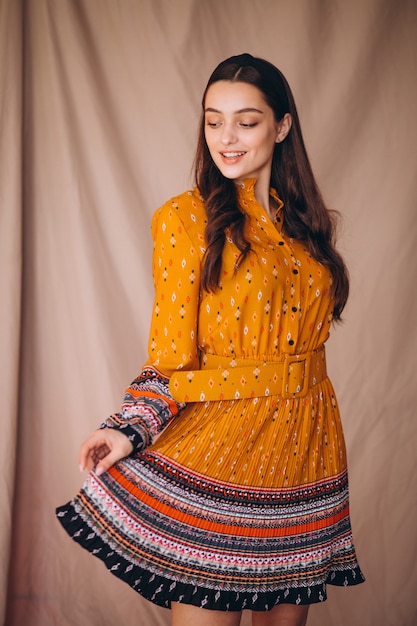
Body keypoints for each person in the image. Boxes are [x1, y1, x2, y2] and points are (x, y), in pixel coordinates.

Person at [56, 53, 364, 626]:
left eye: (246, 121)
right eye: (212, 120)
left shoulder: (306, 226)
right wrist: (129, 427)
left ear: (283, 126)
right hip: (222, 454)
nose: (227, 137)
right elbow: (172, 355)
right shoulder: (184, 220)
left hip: (306, 452)